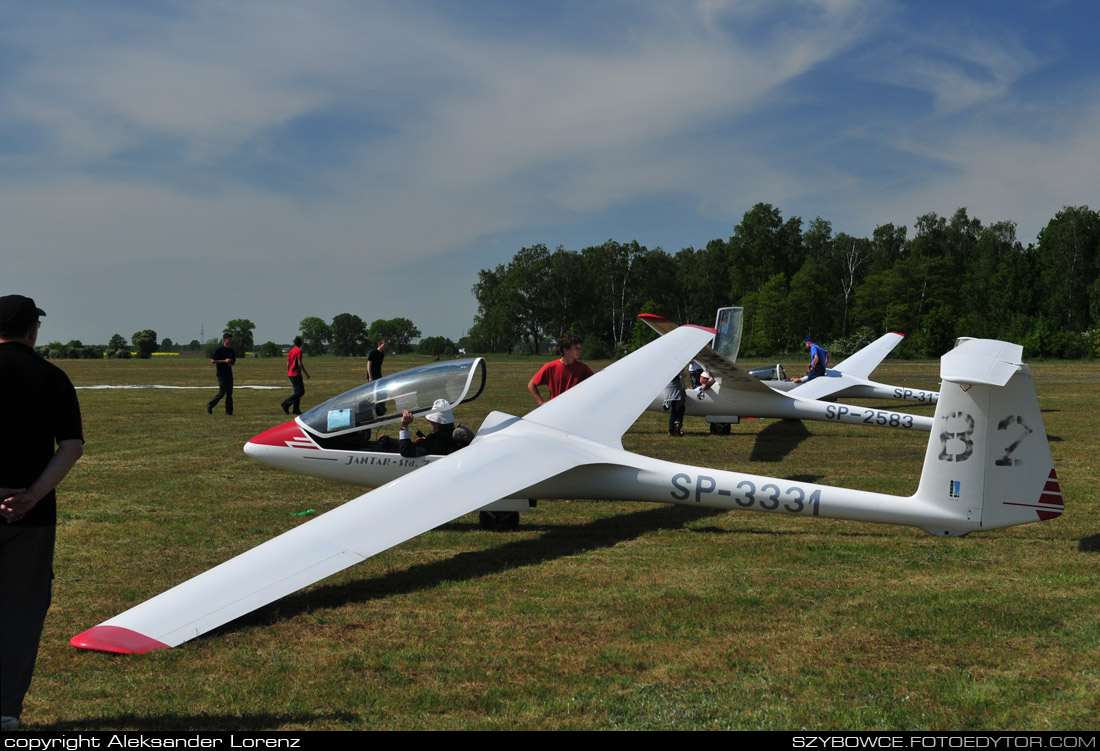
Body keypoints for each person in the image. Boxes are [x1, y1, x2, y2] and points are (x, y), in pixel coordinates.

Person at [0, 295, 84, 732]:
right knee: (21, 611)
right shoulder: (52, 376)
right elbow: (70, 447)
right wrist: (30, 495)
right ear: (32, 330)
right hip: (31, 518)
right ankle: (6, 710)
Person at [527, 333, 594, 405]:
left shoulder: (583, 369)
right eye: (576, 348)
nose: (579, 350)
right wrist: (541, 402)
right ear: (566, 350)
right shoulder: (550, 367)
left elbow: (596, 384)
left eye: (579, 348)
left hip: (575, 409)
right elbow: (531, 385)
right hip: (556, 410)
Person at [207, 333, 236, 415]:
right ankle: (210, 404)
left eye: (231, 340)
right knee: (222, 392)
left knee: (229, 393)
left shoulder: (231, 351)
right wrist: (224, 361)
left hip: (229, 374)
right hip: (221, 374)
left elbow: (233, 361)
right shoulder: (219, 350)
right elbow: (213, 361)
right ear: (224, 339)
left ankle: (229, 412)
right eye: (228, 339)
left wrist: (231, 363)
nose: (230, 341)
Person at [281, 337, 311, 415]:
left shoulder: (291, 351)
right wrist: (306, 373)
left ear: (294, 343)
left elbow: (287, 364)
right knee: (301, 392)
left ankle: (296, 410)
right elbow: (299, 363)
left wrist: (289, 372)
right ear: (300, 344)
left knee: (297, 392)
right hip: (296, 374)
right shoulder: (299, 351)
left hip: (291, 373)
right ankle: (286, 404)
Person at [663, 370, 686, 436]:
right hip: (675, 386)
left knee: (673, 410)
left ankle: (671, 431)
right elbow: (677, 372)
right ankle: (677, 423)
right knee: (680, 408)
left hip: (669, 387)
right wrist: (682, 374)